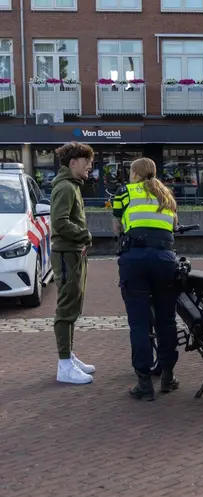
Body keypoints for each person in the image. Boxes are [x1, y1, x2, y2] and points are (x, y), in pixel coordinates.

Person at [112, 157, 181, 401]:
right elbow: (173, 226)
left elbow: (117, 227)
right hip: (164, 261)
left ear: (135, 174)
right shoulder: (167, 195)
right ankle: (168, 377)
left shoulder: (125, 192)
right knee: (167, 321)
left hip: (135, 261)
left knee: (140, 324)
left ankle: (144, 383)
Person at [49, 142, 95, 385]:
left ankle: (68, 357)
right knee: (67, 308)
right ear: (72, 162)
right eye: (85, 160)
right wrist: (84, 235)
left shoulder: (71, 186)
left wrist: (80, 240)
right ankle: (64, 365)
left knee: (72, 307)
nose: (90, 165)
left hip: (73, 253)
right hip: (67, 254)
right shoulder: (67, 187)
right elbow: (60, 222)